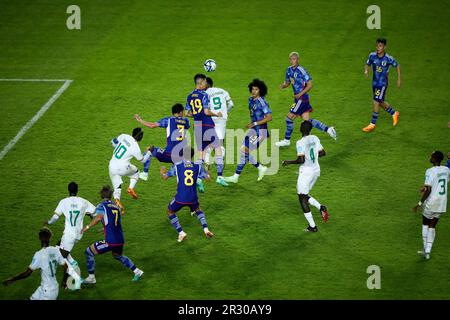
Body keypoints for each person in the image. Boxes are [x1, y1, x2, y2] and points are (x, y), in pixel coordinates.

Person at [81, 185, 144, 284]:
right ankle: (137, 271)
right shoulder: (116, 207)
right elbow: (115, 222)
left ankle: (91, 278)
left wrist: (87, 227)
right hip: (120, 239)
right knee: (117, 255)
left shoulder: (102, 206)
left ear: (102, 195)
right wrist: (105, 228)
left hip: (111, 241)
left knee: (88, 252)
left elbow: (98, 218)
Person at [276, 51, 336, 147]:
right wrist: (283, 86)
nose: (292, 61)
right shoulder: (288, 70)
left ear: (298, 60)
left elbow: (310, 85)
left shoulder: (302, 70)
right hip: (298, 99)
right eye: (291, 59)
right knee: (307, 122)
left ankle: (287, 141)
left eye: (294, 59)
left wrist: (300, 94)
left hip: (302, 98)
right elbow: (288, 82)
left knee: (289, 118)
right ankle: (328, 129)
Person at [282, 121, 330, 232]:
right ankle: (321, 207)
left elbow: (301, 160)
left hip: (306, 172)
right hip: (316, 170)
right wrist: (312, 156)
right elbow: (323, 153)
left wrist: (288, 162)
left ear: (301, 130)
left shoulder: (300, 142)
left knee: (301, 198)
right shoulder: (314, 138)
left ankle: (313, 226)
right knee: (304, 194)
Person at [45, 181, 96, 284]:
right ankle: (72, 263)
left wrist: (48, 222)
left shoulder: (63, 202)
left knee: (61, 257)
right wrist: (88, 214)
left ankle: (72, 278)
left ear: (68, 190)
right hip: (79, 233)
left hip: (69, 235)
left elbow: (55, 217)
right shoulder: (83, 202)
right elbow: (95, 211)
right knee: (58, 245)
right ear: (77, 191)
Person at [2, 227, 73, 300]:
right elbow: (66, 267)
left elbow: (27, 273)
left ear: (39, 238)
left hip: (47, 293)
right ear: (49, 238)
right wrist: (64, 281)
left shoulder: (39, 254)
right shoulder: (56, 250)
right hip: (48, 288)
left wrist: (12, 279)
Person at [160, 147, 214, 242]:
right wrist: (208, 172)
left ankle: (181, 233)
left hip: (180, 197)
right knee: (198, 210)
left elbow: (165, 177)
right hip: (193, 197)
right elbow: (208, 179)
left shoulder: (177, 165)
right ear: (192, 156)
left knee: (170, 211)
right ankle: (206, 229)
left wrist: (162, 172)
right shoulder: (197, 166)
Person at [223, 79, 271, 183]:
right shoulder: (250, 99)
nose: (254, 91)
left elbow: (269, 117)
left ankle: (260, 168)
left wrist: (254, 124)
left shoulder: (262, 102)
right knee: (243, 150)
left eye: (256, 89)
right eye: (253, 89)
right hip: (254, 130)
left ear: (261, 90)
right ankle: (236, 176)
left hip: (260, 132)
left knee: (244, 150)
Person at [185, 73, 226, 190]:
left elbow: (187, 113)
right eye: (204, 82)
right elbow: (207, 112)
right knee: (218, 148)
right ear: (201, 82)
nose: (205, 84)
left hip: (197, 126)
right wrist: (216, 114)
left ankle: (197, 179)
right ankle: (219, 177)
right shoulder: (204, 95)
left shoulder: (189, 96)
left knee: (201, 153)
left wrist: (197, 114)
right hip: (207, 124)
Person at [134, 103, 190, 181]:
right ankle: (197, 179)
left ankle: (145, 174)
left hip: (169, 154)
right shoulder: (186, 121)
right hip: (181, 156)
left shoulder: (168, 120)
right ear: (180, 112)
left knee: (150, 149)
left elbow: (152, 125)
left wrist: (140, 120)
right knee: (180, 173)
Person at [412, 151, 449, 260]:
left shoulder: (430, 171)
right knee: (433, 226)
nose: (430, 157)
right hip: (442, 203)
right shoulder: (446, 170)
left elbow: (428, 190)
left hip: (432, 202)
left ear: (435, 159)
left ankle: (425, 250)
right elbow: (441, 182)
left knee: (425, 224)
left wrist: (419, 203)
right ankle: (428, 251)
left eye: (431, 156)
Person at [362, 38, 401, 132]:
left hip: (382, 83)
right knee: (380, 101)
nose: (378, 48)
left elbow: (397, 66)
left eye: (380, 46)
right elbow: (367, 64)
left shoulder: (388, 58)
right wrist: (366, 70)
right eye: (377, 45)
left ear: (384, 47)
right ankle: (394, 113)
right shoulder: (372, 56)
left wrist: (399, 79)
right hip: (374, 82)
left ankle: (372, 124)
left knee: (376, 101)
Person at [110, 127, 151, 212]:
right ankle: (130, 188)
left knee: (117, 186)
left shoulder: (124, 135)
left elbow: (113, 142)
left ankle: (117, 200)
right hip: (123, 167)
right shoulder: (135, 147)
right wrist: (149, 152)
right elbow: (143, 160)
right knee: (136, 172)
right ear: (140, 137)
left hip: (112, 165)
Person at [204, 77, 234, 181]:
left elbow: (205, 110)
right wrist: (226, 112)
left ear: (207, 85)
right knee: (220, 145)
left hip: (210, 119)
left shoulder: (204, 94)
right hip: (221, 120)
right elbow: (231, 104)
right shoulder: (222, 91)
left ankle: (207, 164)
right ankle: (220, 174)